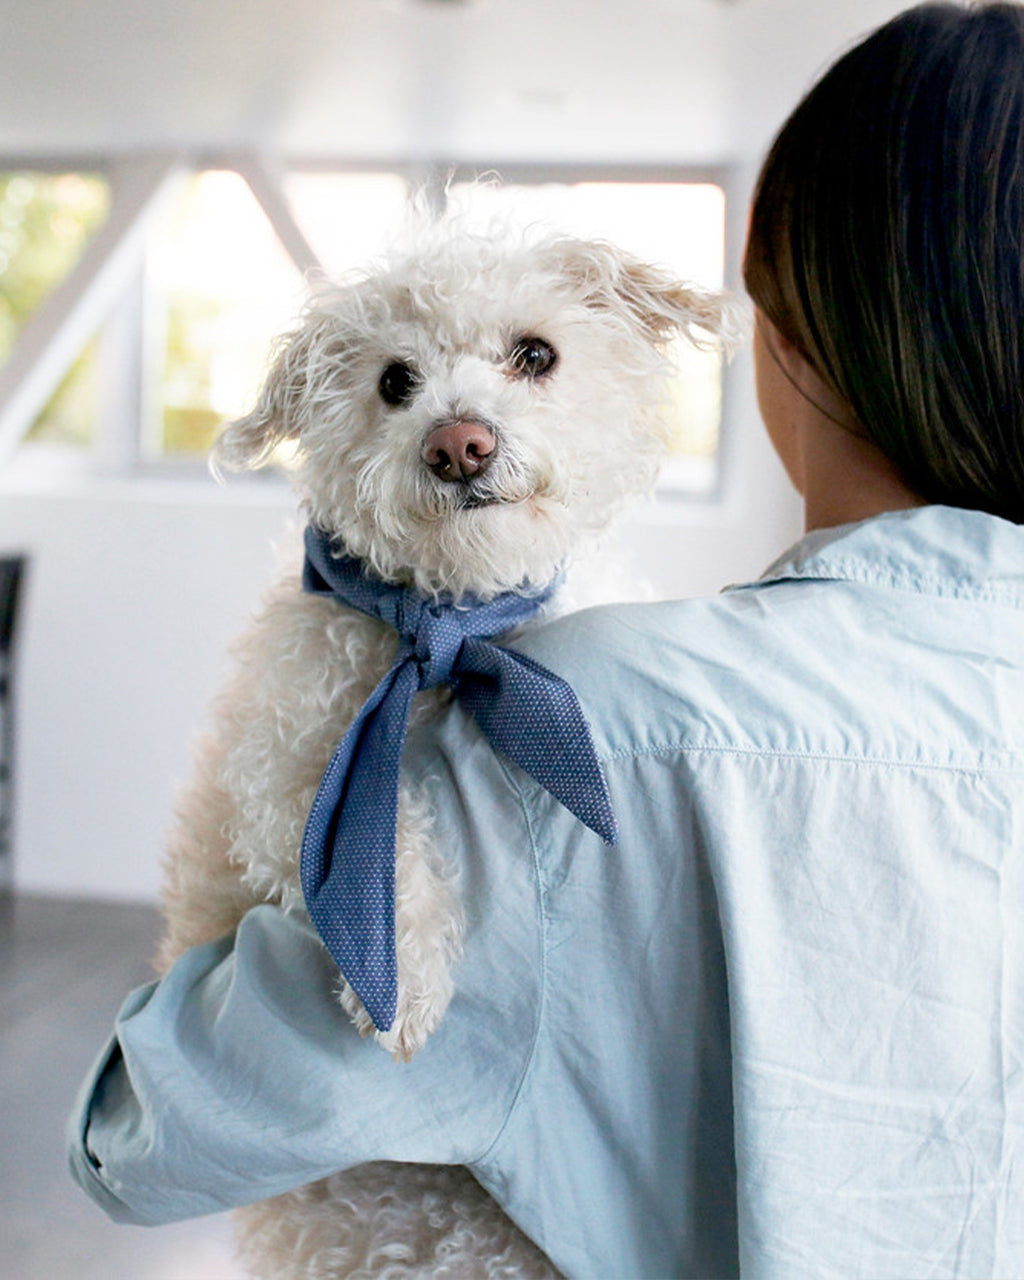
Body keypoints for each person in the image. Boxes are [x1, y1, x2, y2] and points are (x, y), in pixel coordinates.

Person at [69, 3, 1024, 1275]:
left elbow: (147, 1136)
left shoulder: (565, 727)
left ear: (783, 325)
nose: (466, 428)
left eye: (527, 357)